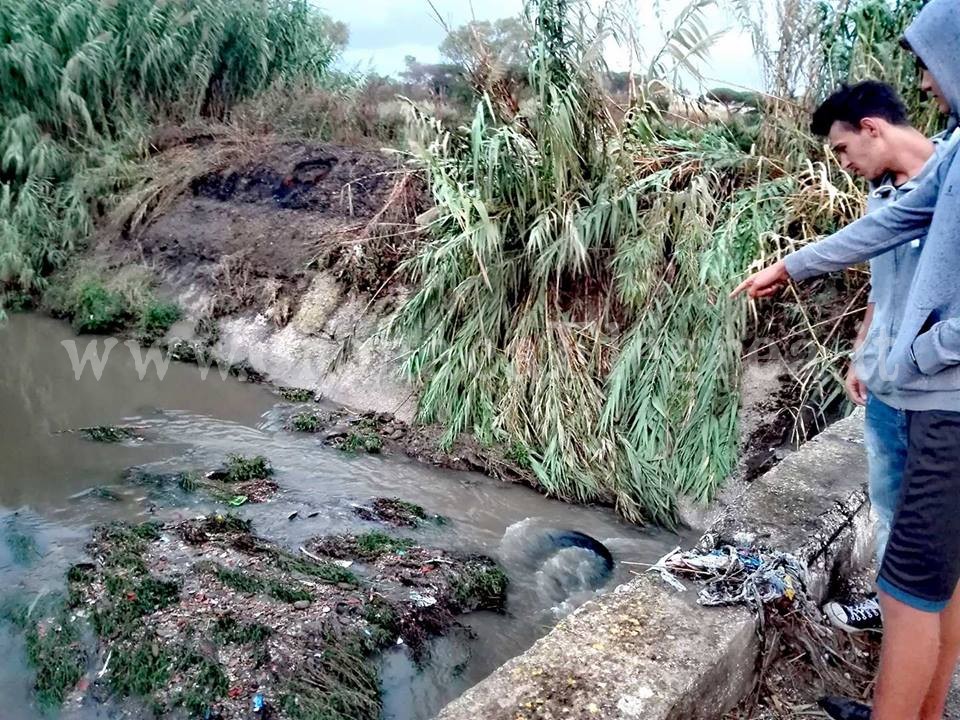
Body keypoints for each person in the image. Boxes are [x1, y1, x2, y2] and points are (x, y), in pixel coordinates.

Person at [732, 1, 960, 718]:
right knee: (928, 577)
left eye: (931, 65)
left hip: (940, 393)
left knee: (910, 581)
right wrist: (796, 269)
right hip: (910, 389)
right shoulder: (946, 160)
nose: (925, 84)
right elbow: (888, 254)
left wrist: (928, 352)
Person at [806, 82, 956, 636]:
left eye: (844, 149)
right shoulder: (881, 202)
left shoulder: (952, 181)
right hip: (886, 385)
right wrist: (859, 354)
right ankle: (896, 620)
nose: (844, 164)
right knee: (889, 505)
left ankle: (923, 632)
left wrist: (925, 351)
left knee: (936, 524)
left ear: (873, 128)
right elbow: (880, 289)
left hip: (942, 392)